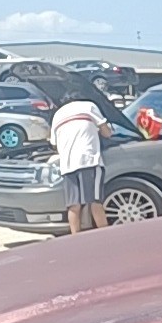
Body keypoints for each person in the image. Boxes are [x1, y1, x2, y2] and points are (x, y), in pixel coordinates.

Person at [49, 98, 112, 233]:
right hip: (89, 161)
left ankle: (75, 240)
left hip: (67, 166)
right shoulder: (89, 106)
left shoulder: (57, 115)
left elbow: (54, 144)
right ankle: (107, 238)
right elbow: (107, 133)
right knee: (95, 202)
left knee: (74, 206)